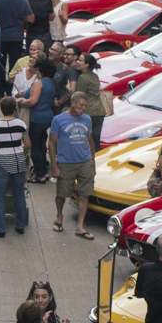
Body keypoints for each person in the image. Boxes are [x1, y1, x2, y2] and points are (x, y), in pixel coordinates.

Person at [48, 92, 96, 238]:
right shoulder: (59, 120)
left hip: (85, 161)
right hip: (66, 162)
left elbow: (90, 141)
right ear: (73, 104)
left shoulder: (87, 119)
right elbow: (52, 143)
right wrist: (54, 166)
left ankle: (80, 226)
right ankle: (59, 216)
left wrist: (93, 162)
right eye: (81, 105)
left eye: (85, 106)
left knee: (85, 193)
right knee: (62, 193)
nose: (83, 108)